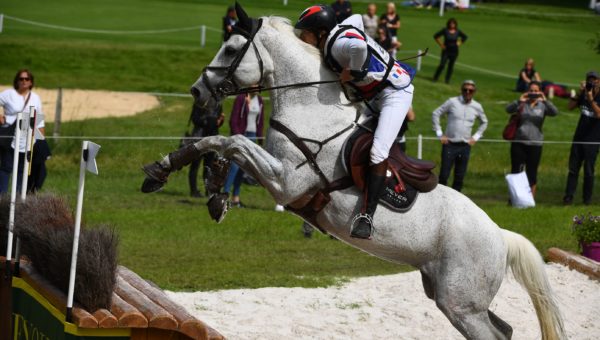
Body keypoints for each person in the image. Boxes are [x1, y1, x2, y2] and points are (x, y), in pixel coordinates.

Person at [295, 5, 414, 239]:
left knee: (378, 152)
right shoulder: (337, 35)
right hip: (375, 96)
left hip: (395, 94)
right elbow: (358, 18)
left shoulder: (337, 44)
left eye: (304, 32)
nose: (301, 37)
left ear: (320, 32)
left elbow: (359, 46)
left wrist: (354, 71)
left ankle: (367, 217)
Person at [432, 80, 487, 192]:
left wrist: (475, 137)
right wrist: (439, 133)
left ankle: (456, 203)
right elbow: (436, 113)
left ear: (474, 92)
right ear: (461, 90)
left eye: (470, 90)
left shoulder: (477, 106)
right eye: (465, 90)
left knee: (460, 176)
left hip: (465, 146)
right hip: (449, 144)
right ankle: (440, 198)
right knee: (444, 174)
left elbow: (484, 122)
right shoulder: (452, 102)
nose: (467, 92)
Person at [506, 81, 558, 197]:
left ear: (540, 91)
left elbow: (555, 112)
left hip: (535, 143)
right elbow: (508, 109)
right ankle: (514, 198)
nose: (533, 93)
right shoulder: (522, 104)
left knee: (532, 172)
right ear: (527, 91)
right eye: (531, 90)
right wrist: (519, 100)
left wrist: (545, 100)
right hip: (519, 142)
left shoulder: (543, 105)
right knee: (516, 171)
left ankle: (530, 199)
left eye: (536, 91)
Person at [0, 69, 45, 194]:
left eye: (27, 79)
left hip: (27, 138)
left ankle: (19, 199)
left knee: (22, 169)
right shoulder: (8, 94)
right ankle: (2, 197)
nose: (24, 81)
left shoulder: (35, 98)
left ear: (31, 82)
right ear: (17, 81)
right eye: (21, 79)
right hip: (9, 137)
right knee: (6, 167)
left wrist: (41, 139)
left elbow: (39, 118)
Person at [563, 71, 600, 205]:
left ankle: (587, 199)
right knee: (573, 169)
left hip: (593, 140)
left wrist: (590, 99)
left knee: (589, 171)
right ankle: (568, 197)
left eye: (594, 80)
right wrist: (580, 93)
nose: (592, 82)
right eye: (589, 80)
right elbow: (570, 106)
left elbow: (598, 114)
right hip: (579, 138)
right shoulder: (583, 94)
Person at [223, 92, 265, 207]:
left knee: (244, 168)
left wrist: (260, 139)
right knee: (235, 166)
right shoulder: (241, 98)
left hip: (253, 136)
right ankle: (224, 196)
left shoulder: (260, 100)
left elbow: (260, 122)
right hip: (242, 135)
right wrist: (238, 136)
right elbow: (233, 120)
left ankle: (236, 198)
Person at [186, 102, 225, 198]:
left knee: (209, 166)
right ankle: (194, 191)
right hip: (199, 139)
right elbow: (195, 119)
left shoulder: (218, 104)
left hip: (212, 140)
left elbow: (218, 122)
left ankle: (209, 191)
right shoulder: (199, 103)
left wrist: (220, 121)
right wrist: (208, 121)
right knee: (195, 165)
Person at [433, 18, 467, 84]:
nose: (452, 25)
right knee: (442, 64)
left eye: (453, 23)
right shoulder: (445, 30)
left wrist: (459, 43)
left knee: (451, 66)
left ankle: (447, 80)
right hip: (446, 50)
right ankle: (435, 78)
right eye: (450, 23)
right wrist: (441, 45)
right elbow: (436, 36)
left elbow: (465, 37)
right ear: (448, 24)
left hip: (454, 51)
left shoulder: (457, 31)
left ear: (455, 24)